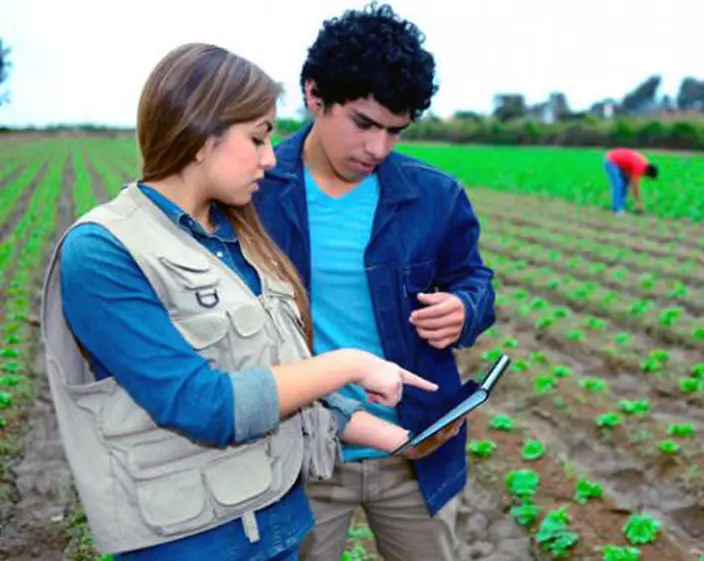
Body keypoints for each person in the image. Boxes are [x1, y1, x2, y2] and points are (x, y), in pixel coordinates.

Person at [39, 42, 442, 561]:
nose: (271, 157)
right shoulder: (102, 251)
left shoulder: (236, 234)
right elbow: (204, 405)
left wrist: (401, 440)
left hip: (279, 523)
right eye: (257, 137)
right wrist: (348, 364)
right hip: (193, 544)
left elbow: (280, 377)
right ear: (202, 135)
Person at [253, 4, 497, 560]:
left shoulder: (434, 195)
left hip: (414, 448)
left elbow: (475, 279)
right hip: (301, 451)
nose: (378, 149)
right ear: (315, 95)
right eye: (363, 123)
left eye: (395, 130)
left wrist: (465, 307)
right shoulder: (258, 189)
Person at [603, 147, 659, 215]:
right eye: (646, 176)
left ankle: (621, 206)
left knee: (625, 183)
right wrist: (639, 201)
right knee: (618, 184)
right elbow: (635, 187)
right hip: (611, 160)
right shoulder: (640, 166)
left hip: (620, 163)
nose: (644, 176)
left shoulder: (645, 164)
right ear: (647, 172)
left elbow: (630, 178)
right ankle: (616, 209)